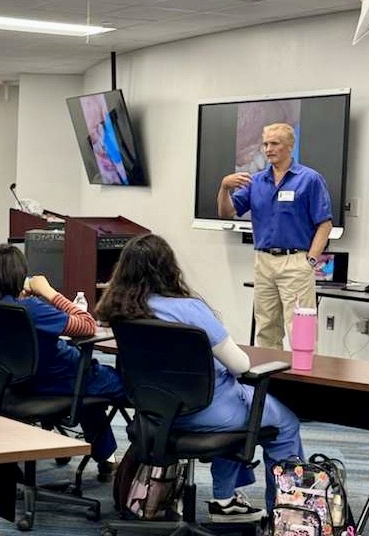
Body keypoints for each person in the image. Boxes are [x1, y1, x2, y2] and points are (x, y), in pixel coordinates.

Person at [96, 233, 304, 519]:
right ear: (168, 268)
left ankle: (226, 501)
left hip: (155, 415)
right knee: (284, 423)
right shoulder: (189, 309)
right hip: (208, 412)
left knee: (238, 405)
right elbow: (241, 365)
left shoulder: (122, 313)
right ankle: (288, 517)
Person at [0, 243, 125, 481]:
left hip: (13, 384)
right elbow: (87, 324)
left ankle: (106, 456)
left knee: (87, 390)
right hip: (60, 379)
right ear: (18, 277)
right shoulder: (31, 309)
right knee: (124, 385)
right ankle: (139, 465)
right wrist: (49, 292)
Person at [217, 123, 333, 349]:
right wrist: (223, 188)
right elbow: (226, 212)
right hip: (264, 261)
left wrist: (310, 261)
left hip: (296, 261)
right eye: (265, 144)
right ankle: (270, 383)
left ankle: (305, 382)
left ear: (290, 146)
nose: (268, 149)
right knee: (266, 328)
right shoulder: (256, 181)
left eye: (274, 143)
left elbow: (325, 224)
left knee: (301, 330)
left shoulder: (309, 179)